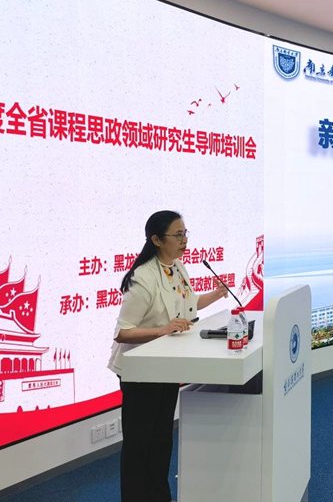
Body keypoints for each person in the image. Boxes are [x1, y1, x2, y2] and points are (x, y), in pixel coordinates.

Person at [108, 210, 229, 502]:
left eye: (185, 233)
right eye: (178, 235)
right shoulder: (142, 277)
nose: (184, 240)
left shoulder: (177, 267)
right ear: (156, 240)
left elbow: (188, 304)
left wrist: (216, 294)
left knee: (161, 440)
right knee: (139, 444)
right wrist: (163, 330)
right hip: (140, 372)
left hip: (166, 366)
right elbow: (122, 332)